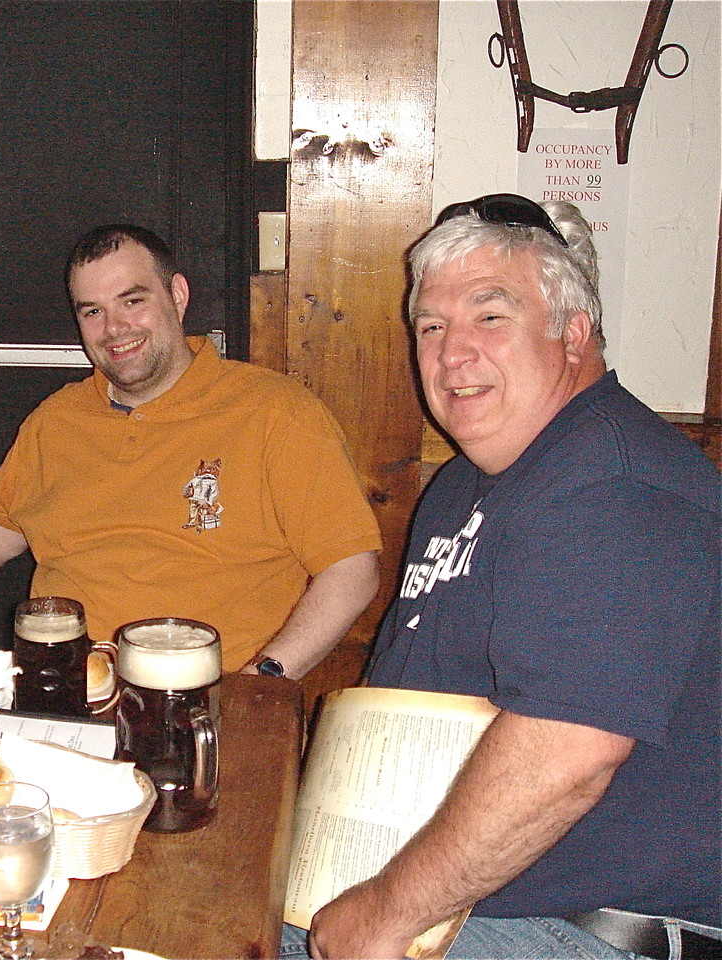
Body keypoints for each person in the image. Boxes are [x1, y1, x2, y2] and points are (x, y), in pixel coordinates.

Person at [283, 195, 720, 960]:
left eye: (491, 317)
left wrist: (386, 910)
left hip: (585, 927)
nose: (453, 354)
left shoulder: (613, 484)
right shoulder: (460, 486)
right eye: (431, 327)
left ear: (573, 333)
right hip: (457, 894)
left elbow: (567, 752)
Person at [0, 225, 381, 674]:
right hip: (65, 689)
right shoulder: (56, 420)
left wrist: (262, 683)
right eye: (92, 312)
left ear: (177, 296)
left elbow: (351, 571)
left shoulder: (275, 411)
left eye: (132, 300)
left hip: (208, 700)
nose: (114, 328)